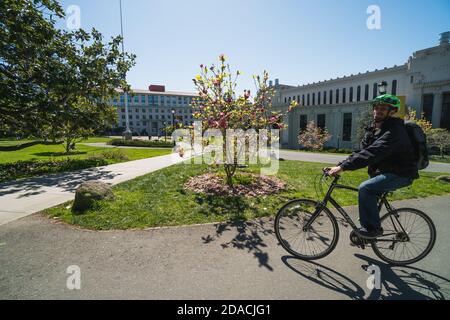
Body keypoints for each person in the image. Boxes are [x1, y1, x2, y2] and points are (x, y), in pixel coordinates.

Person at [326, 94, 419, 238]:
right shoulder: (373, 130)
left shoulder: (395, 130)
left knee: (366, 188)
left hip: (402, 173)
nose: (378, 111)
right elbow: (361, 152)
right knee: (368, 199)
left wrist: (343, 168)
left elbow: (373, 152)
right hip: (384, 172)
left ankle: (372, 230)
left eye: (383, 108)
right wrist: (340, 165)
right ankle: (365, 234)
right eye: (376, 107)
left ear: (392, 111)